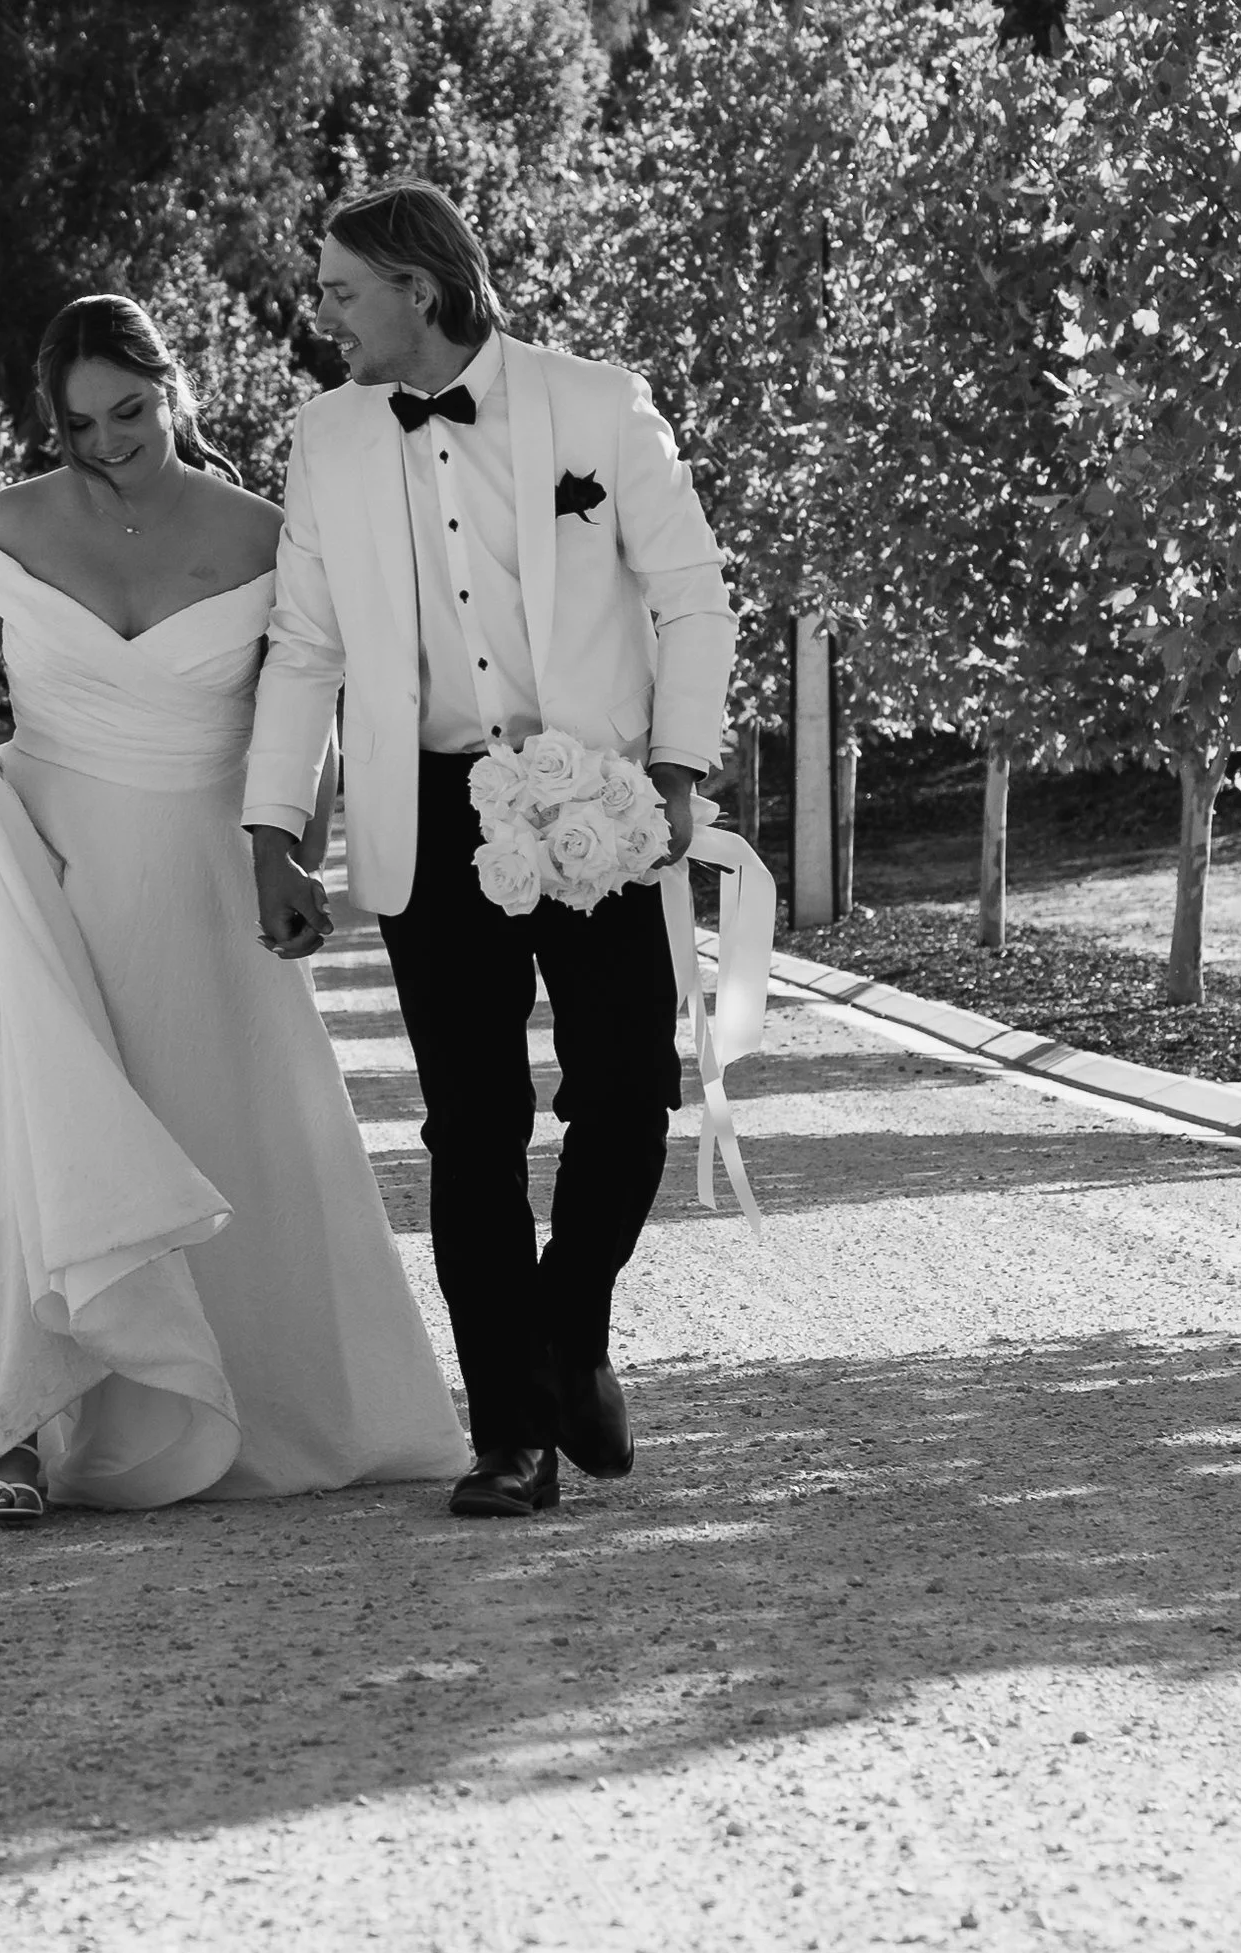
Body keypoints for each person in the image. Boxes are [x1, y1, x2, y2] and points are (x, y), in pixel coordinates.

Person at [0, 292, 467, 1524]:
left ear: (174, 386)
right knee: (45, 1136)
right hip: (49, 864)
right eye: (79, 422)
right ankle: (26, 1428)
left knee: (235, 1125)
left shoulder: (264, 533)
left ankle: (261, 1396)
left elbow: (299, 706)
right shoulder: (9, 522)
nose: (107, 440)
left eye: (131, 410)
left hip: (210, 869)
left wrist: (295, 850)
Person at [242, 180, 736, 1524]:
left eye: (344, 288)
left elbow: (692, 596)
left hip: (600, 804)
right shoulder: (327, 438)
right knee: (471, 1133)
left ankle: (566, 1336)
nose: (325, 312)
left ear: (421, 285)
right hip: (430, 815)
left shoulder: (596, 402)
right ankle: (508, 1438)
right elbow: (307, 646)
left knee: (629, 1094)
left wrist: (680, 768)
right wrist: (273, 823)